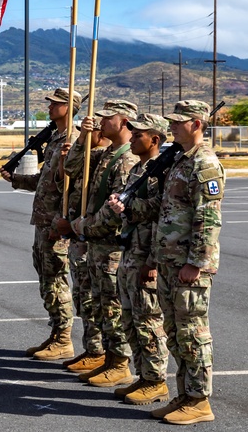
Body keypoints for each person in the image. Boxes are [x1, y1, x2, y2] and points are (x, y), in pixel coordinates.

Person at [74, 113, 171, 406]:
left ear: (154, 140)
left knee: (148, 321)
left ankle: (156, 380)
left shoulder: (157, 174)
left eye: (139, 133)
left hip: (143, 255)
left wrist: (152, 261)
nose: (133, 136)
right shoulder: (141, 170)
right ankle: (143, 376)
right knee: (130, 318)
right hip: (131, 252)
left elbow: (158, 217)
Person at [148, 100, 223, 425]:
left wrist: (196, 262)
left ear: (197, 124)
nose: (172, 127)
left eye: (178, 122)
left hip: (188, 265)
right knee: (175, 332)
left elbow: (208, 219)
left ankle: (200, 400)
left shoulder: (204, 163)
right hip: (170, 260)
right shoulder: (180, 160)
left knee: (192, 333)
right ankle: (185, 395)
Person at [60, 99, 139, 388]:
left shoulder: (127, 158)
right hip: (96, 242)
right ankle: (107, 357)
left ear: (124, 122)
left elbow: (114, 210)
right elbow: (71, 168)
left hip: (111, 244)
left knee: (112, 307)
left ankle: (119, 363)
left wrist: (81, 226)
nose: (101, 122)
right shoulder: (107, 153)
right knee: (99, 303)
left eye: (108, 118)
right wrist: (83, 136)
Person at [0, 88, 80, 361]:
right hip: (44, 218)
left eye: (56, 103)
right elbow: (43, 181)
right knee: (47, 278)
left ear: (69, 107)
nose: (50, 107)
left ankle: (64, 338)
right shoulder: (56, 139)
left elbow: (70, 183)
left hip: (57, 221)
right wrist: (15, 179)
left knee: (56, 279)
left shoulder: (74, 140)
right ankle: (56, 331)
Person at [58, 118, 109, 375]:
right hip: (82, 235)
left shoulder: (104, 157)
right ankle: (93, 349)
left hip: (94, 235)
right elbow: (69, 168)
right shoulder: (90, 153)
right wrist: (79, 141)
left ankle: (100, 351)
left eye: (93, 130)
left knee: (96, 300)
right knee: (84, 297)